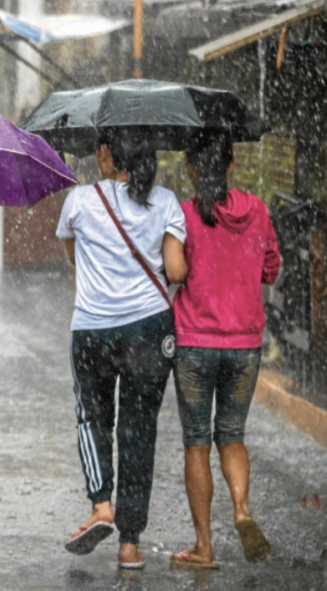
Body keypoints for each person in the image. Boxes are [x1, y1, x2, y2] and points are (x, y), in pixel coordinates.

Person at [56, 129, 188, 569]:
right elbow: (173, 269)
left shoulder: (79, 200)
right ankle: (130, 543)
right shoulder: (166, 201)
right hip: (149, 329)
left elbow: (74, 258)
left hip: (92, 328)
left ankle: (101, 505)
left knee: (92, 417)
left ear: (108, 155)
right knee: (138, 430)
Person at [169, 130, 280, 569]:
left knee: (197, 442)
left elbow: (174, 271)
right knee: (231, 436)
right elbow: (271, 269)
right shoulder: (258, 211)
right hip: (245, 345)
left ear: (192, 171)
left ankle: (204, 547)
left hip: (195, 343)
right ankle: (242, 509)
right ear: (232, 166)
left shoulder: (184, 215)